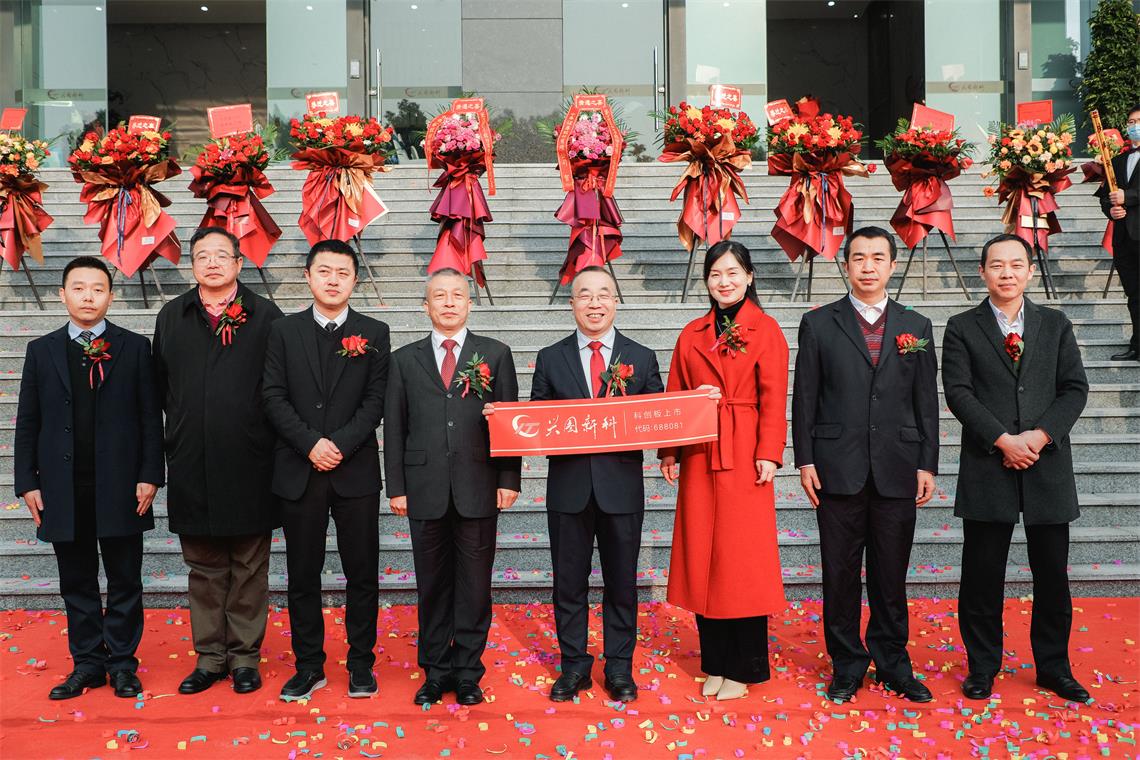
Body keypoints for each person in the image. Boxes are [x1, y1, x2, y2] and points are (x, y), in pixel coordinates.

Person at [791, 226, 939, 704]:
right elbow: (805, 396)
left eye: (878, 258)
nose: (868, 266)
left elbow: (926, 401)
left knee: (890, 575)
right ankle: (847, 665)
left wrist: (927, 462)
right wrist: (805, 457)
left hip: (898, 465)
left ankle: (893, 664)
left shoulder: (916, 325)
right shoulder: (819, 323)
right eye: (859, 258)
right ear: (846, 265)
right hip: (837, 466)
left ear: (892, 265)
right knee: (839, 574)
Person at [942, 233, 1090, 702]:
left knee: (1053, 576)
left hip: (1048, 466)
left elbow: (1074, 388)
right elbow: (958, 392)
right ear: (982, 272)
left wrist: (1040, 436)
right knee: (981, 575)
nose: (1006, 273)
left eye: (1016, 264)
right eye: (996, 265)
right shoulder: (961, 327)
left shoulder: (1055, 323)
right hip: (989, 463)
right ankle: (982, 666)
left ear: (1029, 270)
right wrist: (1003, 440)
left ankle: (1054, 668)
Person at [14, 256, 164, 701]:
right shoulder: (41, 350)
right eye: (78, 288)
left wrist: (150, 474)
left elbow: (149, 417)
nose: (88, 297)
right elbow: (28, 421)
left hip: (121, 484)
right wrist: (27, 481)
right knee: (76, 581)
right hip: (62, 487)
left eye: (98, 289)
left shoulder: (133, 347)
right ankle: (87, 664)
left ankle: (122, 664)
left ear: (110, 297)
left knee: (125, 579)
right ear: (62, 295)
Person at [153, 228, 284, 696]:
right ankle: (210, 658)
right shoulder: (172, 316)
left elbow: (279, 390)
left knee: (249, 567)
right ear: (192, 265)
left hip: (250, 464)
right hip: (191, 462)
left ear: (238, 263)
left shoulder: (266, 316)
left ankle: (245, 657)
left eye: (221, 255)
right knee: (204, 568)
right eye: (202, 256)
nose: (211, 263)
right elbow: (160, 389)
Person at [659, 241, 789, 701]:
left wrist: (769, 451)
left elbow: (774, 396)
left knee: (742, 563)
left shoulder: (766, 329)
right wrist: (669, 451)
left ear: (749, 277)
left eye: (733, 272)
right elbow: (676, 392)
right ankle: (714, 662)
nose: (724, 281)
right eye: (716, 274)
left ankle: (744, 667)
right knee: (703, 559)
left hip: (745, 451)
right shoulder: (692, 333)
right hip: (699, 452)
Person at [526, 266, 663, 703]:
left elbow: (660, 418)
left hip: (621, 489)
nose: (595, 303)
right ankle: (574, 667)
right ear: (572, 305)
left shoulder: (641, 357)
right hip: (569, 489)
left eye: (604, 294)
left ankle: (619, 668)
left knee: (622, 583)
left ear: (616, 302)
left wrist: (696, 406)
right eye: (585, 295)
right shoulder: (551, 358)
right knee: (569, 584)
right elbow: (537, 420)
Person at [385, 268, 521, 707]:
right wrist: (396, 487)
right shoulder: (404, 360)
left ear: (469, 303)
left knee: (475, 587)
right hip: (423, 488)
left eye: (457, 295)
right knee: (432, 586)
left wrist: (509, 478)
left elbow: (509, 422)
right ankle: (435, 670)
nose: (448, 302)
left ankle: (467, 672)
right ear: (426, 306)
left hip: (478, 486)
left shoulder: (495, 354)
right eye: (439, 296)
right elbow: (395, 427)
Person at [262, 239, 389, 701]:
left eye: (342, 273)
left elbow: (376, 399)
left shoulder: (374, 332)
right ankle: (309, 666)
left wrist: (339, 444)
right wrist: (310, 443)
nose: (333, 280)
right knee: (302, 575)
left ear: (354, 280)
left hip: (355, 472)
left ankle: (361, 664)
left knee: (362, 573)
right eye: (324, 271)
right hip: (300, 469)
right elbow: (273, 395)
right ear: (308, 276)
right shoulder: (283, 331)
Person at [1097, 103, 1140, 362]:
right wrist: (1111, 210)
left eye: (1139, 121)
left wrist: (1129, 197)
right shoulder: (1117, 161)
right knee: (1134, 294)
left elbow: (1127, 194)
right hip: (1124, 239)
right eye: (1131, 122)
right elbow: (1105, 196)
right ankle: (1137, 345)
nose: (1134, 126)